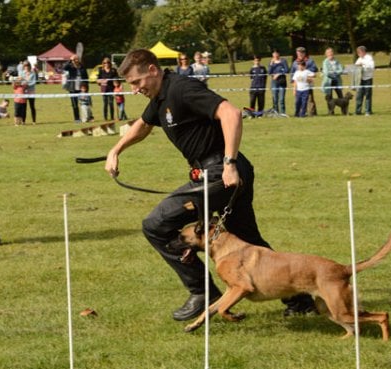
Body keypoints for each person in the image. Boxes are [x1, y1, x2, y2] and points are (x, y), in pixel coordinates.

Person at [104, 49, 316, 321]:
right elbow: (143, 126)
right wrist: (116, 149)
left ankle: (204, 292)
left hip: (220, 173)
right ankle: (300, 299)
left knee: (156, 225)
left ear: (153, 70)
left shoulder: (182, 88)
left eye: (136, 82)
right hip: (220, 172)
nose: (135, 89)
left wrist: (229, 163)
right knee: (248, 238)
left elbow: (231, 114)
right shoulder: (160, 98)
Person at [290, 47, 318, 116]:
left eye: (301, 53)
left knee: (310, 99)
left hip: (308, 83)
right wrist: (293, 83)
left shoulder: (309, 61)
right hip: (299, 85)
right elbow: (292, 73)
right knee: (299, 100)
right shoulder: (295, 62)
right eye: (298, 53)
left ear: (304, 53)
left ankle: (312, 113)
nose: (299, 54)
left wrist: (307, 75)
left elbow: (314, 69)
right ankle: (301, 112)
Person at [63, 54, 88, 123]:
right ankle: (77, 118)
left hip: (82, 88)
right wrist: (70, 60)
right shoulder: (70, 67)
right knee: (74, 104)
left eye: (77, 59)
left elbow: (86, 77)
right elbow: (64, 67)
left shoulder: (82, 67)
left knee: (84, 103)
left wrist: (86, 87)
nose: (76, 60)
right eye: (74, 59)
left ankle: (86, 117)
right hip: (72, 88)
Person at [354, 45, 375, 115]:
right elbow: (355, 66)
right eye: (357, 52)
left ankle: (368, 111)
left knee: (368, 95)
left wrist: (363, 64)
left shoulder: (369, 58)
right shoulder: (359, 59)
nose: (358, 54)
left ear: (363, 51)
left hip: (368, 79)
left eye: (359, 52)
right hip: (360, 79)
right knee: (359, 96)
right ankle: (358, 111)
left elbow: (372, 66)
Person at [97, 57, 119, 121]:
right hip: (104, 89)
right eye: (105, 63)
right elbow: (98, 80)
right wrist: (102, 81)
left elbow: (117, 78)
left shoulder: (113, 70)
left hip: (111, 89)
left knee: (111, 103)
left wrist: (115, 82)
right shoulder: (101, 70)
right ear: (103, 63)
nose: (106, 64)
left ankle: (112, 117)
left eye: (108, 62)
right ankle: (105, 118)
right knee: (105, 103)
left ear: (110, 63)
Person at [268, 50, 289, 116]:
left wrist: (279, 74)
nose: (275, 55)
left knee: (281, 99)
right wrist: (271, 65)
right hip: (274, 82)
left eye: (277, 53)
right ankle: (276, 112)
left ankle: (282, 113)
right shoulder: (271, 62)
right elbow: (269, 72)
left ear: (279, 54)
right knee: (275, 98)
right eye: (274, 54)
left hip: (282, 82)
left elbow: (287, 70)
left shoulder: (283, 61)